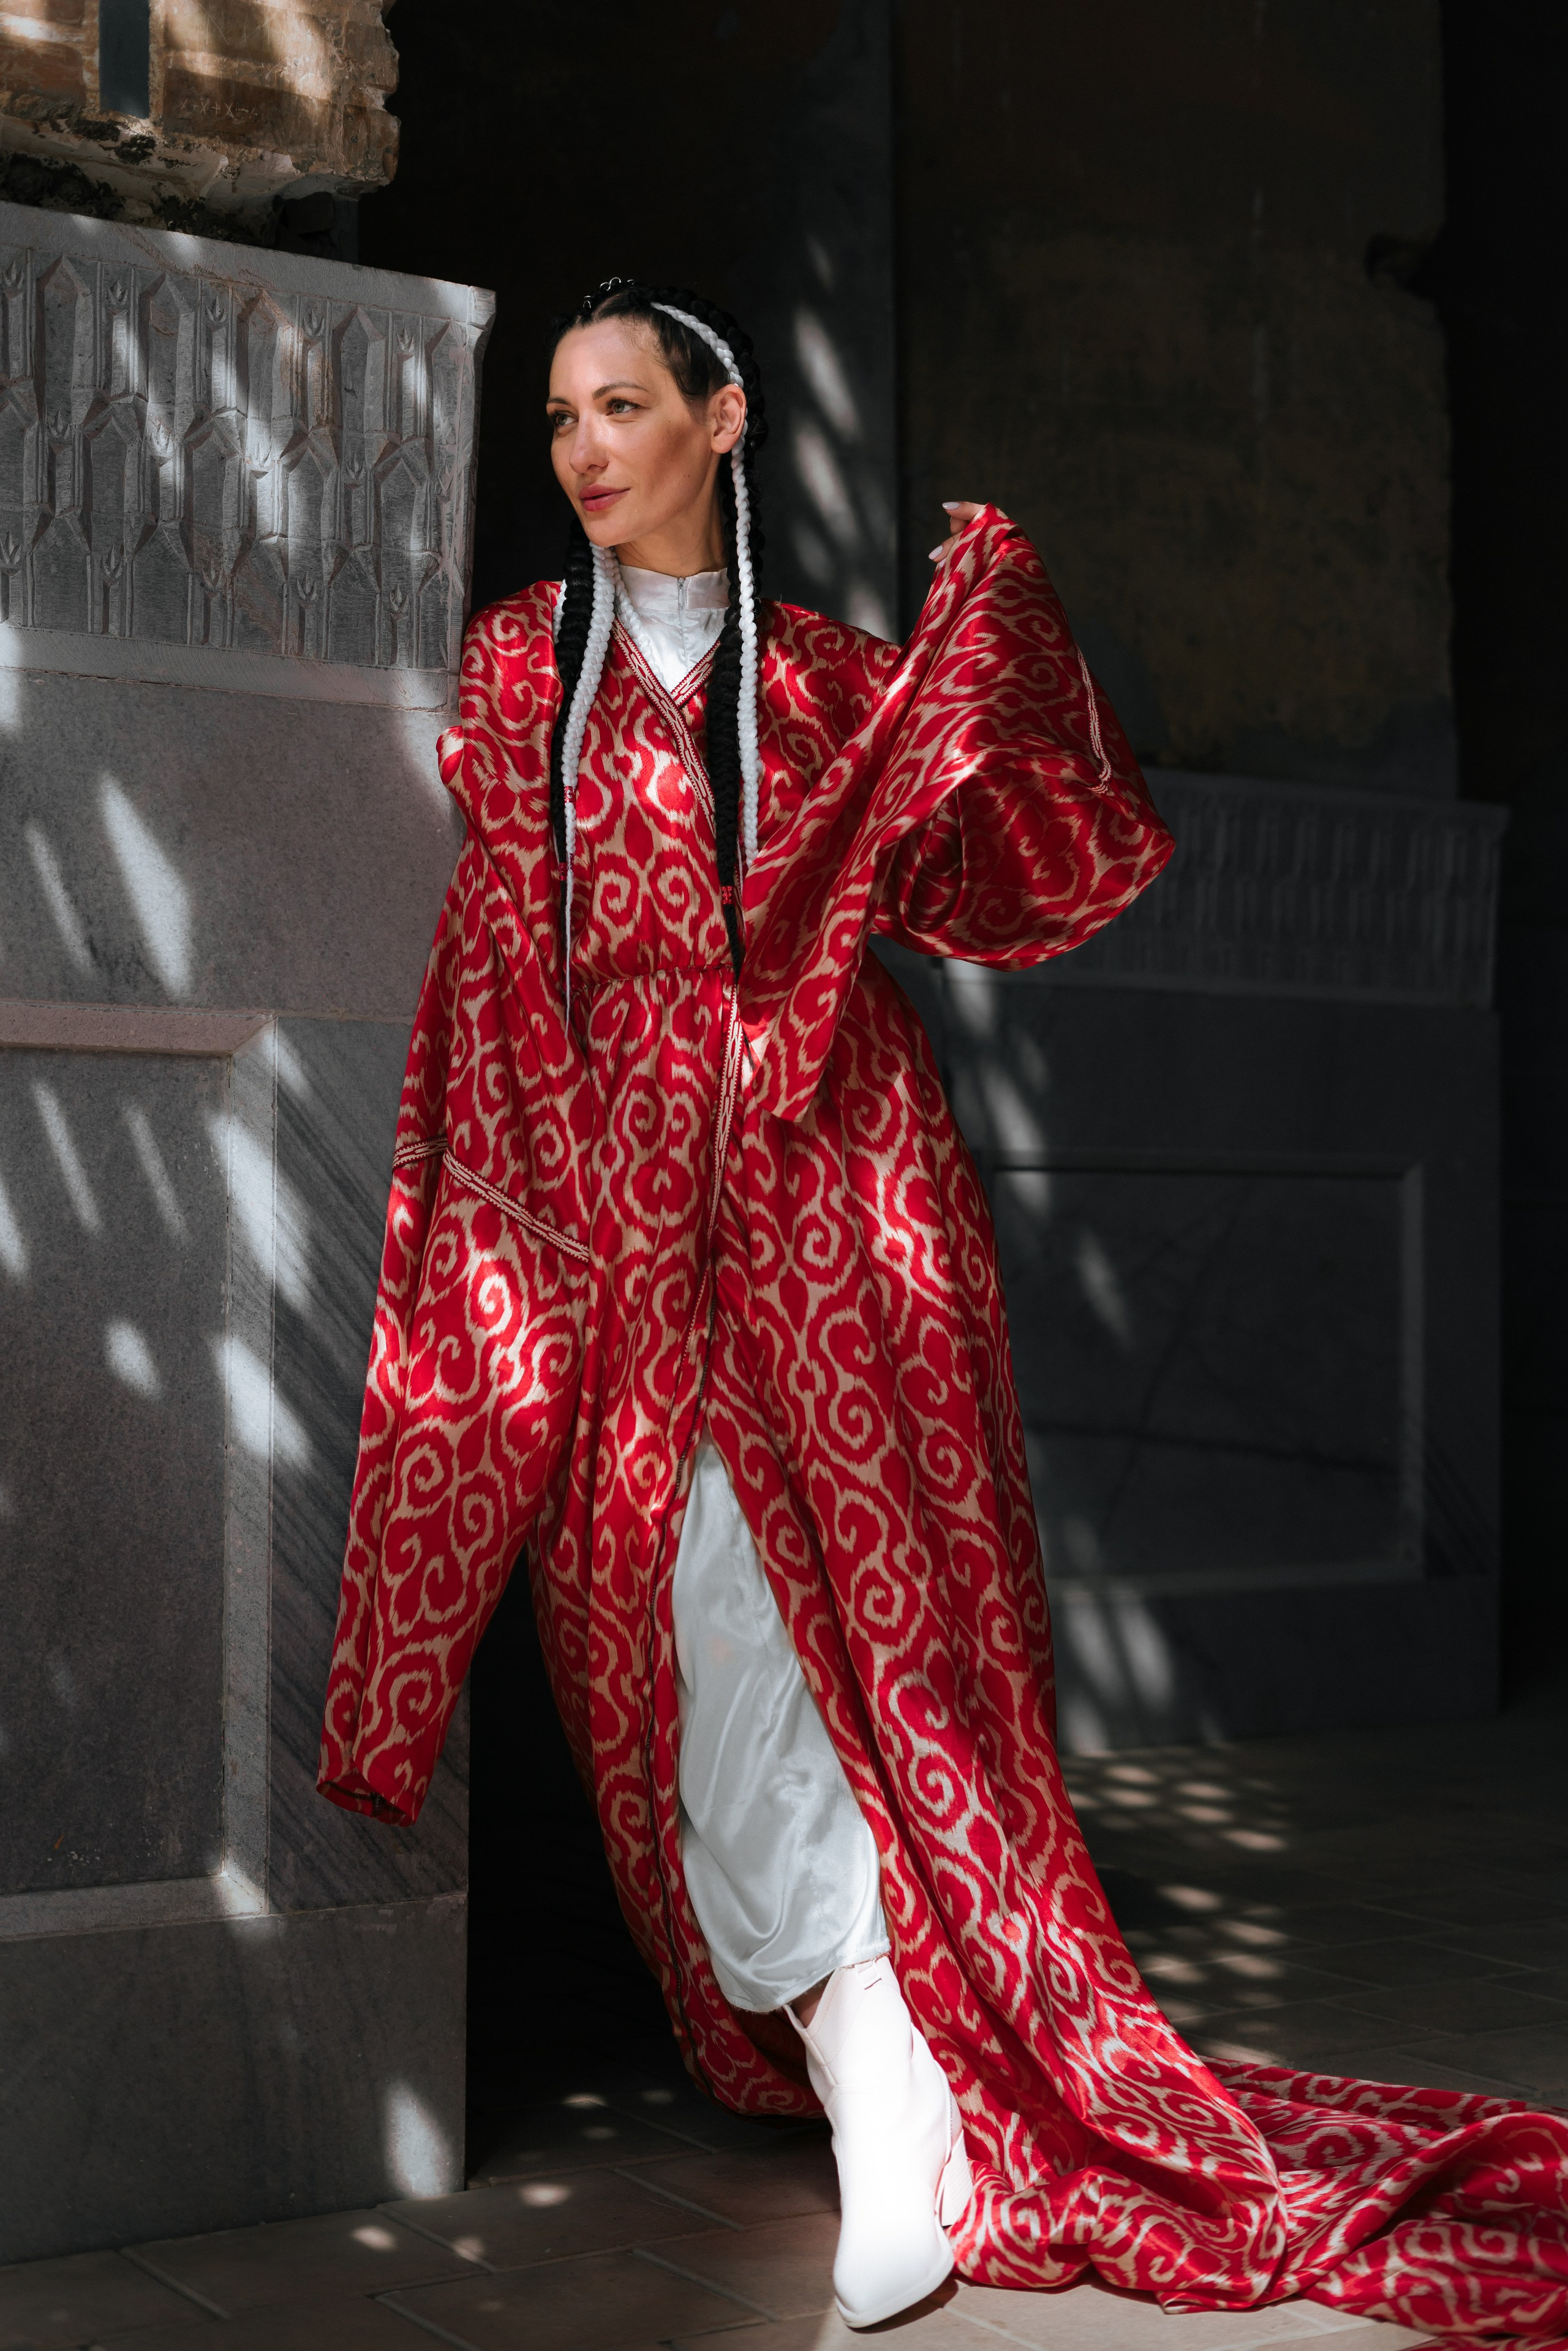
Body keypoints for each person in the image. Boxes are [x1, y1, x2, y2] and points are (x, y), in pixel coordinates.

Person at [320, 281, 1568, 2341]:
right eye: (557, 418)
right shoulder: (524, 660)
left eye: (621, 406)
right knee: (678, 1611)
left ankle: (887, 2080)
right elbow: (510, 964)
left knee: (864, 1630)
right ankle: (867, 2043)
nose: (584, 450)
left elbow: (1026, 873)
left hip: (842, 1196)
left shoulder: (826, 677)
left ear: (723, 420)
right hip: (613, 1207)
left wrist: (1000, 642)